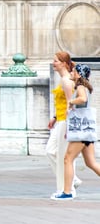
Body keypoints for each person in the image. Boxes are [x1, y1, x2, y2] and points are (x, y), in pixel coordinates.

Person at [54, 64, 100, 200]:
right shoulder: (83, 86)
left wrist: (70, 102)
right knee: (90, 163)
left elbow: (83, 99)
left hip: (80, 131)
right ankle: (67, 191)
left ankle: (67, 192)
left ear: (79, 74)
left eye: (73, 71)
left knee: (68, 159)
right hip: (86, 130)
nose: (71, 73)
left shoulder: (80, 87)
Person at [46, 52, 81, 197]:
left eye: (56, 61)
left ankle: (67, 189)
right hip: (60, 120)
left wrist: (68, 125)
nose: (53, 63)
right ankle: (72, 180)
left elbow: (70, 104)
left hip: (65, 122)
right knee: (50, 151)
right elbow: (63, 103)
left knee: (64, 156)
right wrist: (54, 116)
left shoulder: (67, 81)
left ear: (64, 63)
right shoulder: (62, 79)